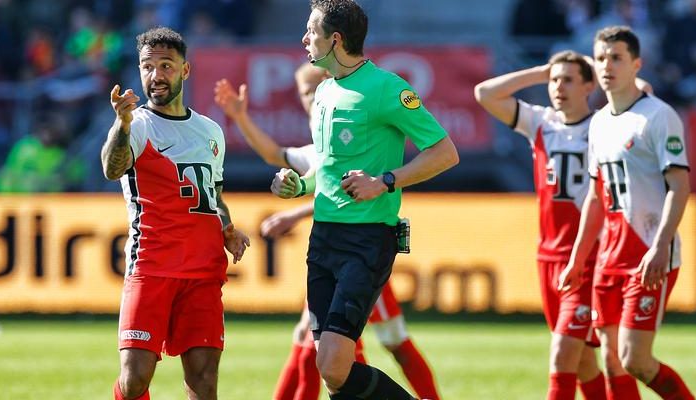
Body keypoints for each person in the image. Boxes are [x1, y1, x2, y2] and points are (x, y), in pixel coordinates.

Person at [214, 62, 442, 400]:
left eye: (308, 90)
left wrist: (295, 213)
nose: (306, 99)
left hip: (360, 252)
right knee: (319, 343)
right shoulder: (321, 145)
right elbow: (275, 155)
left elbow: (343, 194)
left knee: (375, 345)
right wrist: (241, 117)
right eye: (303, 93)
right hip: (336, 252)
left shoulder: (353, 134)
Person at [271, 1, 459, 398]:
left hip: (367, 240)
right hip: (323, 240)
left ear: (335, 39)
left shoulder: (389, 89)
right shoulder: (323, 91)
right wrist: (298, 186)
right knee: (330, 369)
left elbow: (444, 153)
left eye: (311, 31)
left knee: (336, 364)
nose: (304, 39)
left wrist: (386, 181)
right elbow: (326, 169)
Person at [100, 27, 250, 400]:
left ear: (185, 71)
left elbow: (213, 194)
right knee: (135, 380)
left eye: (166, 65)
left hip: (202, 270)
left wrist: (227, 227)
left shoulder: (210, 131)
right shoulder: (137, 126)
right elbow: (111, 168)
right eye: (147, 66)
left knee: (203, 380)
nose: (156, 75)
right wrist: (121, 124)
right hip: (151, 266)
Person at [559, 26, 695, 400]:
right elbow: (596, 197)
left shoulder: (658, 117)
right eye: (601, 58)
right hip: (609, 258)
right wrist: (579, 257)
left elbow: (679, 186)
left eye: (616, 57)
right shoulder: (600, 121)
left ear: (637, 64)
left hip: (648, 253)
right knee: (613, 359)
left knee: (636, 359)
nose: (607, 66)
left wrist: (660, 246)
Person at [475, 51, 607, 400]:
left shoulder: (603, 126)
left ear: (589, 86)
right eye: (554, 81)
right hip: (548, 257)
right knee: (583, 362)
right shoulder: (541, 122)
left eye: (567, 80)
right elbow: (485, 94)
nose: (558, 87)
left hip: (588, 257)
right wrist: (539, 72)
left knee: (563, 353)